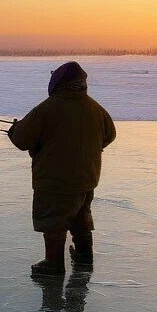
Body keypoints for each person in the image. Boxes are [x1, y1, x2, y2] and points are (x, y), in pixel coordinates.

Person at [8, 61, 116, 277]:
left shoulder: (47, 108)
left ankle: (53, 264)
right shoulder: (95, 107)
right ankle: (85, 257)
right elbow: (110, 135)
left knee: (53, 221)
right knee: (81, 216)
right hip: (87, 178)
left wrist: (14, 130)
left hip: (55, 180)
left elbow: (22, 139)